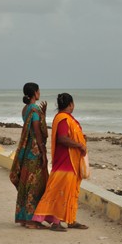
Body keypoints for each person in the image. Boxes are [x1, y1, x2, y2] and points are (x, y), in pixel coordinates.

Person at [32, 93, 89, 232]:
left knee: (70, 192)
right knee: (58, 191)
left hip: (71, 162)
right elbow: (62, 138)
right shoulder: (63, 119)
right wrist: (79, 145)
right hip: (65, 162)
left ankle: (70, 220)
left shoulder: (65, 118)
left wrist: (80, 138)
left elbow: (68, 136)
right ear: (71, 104)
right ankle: (55, 222)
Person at [9, 82, 49, 229]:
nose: (40, 93)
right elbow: (38, 132)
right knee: (35, 185)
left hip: (26, 153)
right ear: (35, 93)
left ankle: (25, 218)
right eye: (39, 91)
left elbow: (32, 126)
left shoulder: (25, 109)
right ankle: (32, 221)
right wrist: (43, 152)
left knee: (27, 184)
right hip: (35, 151)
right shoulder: (34, 109)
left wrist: (43, 114)